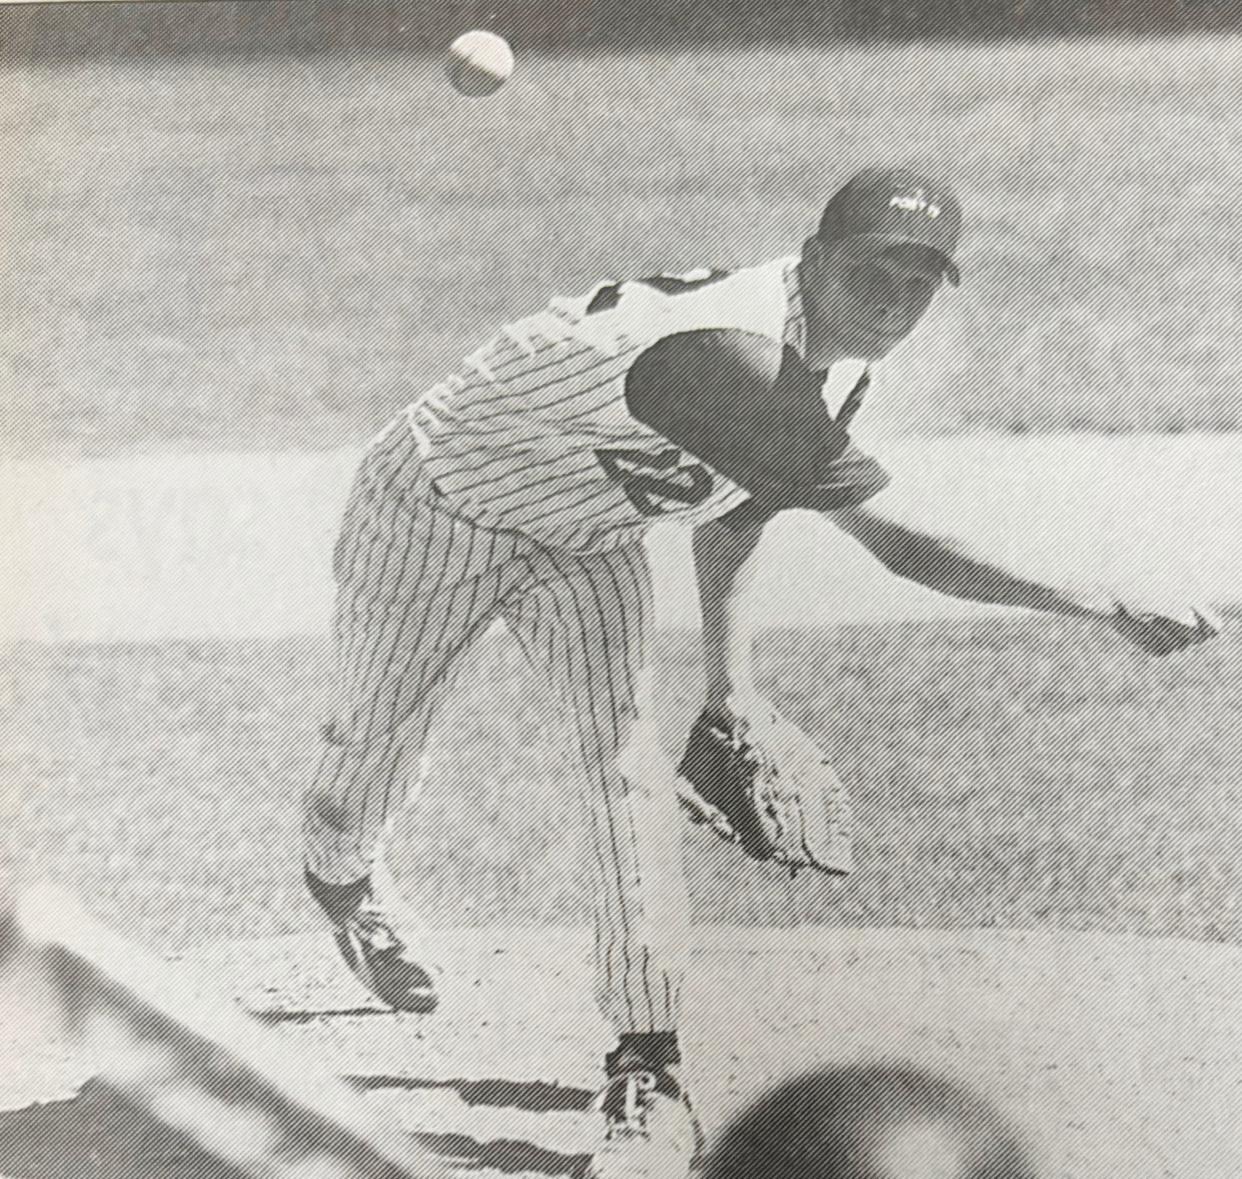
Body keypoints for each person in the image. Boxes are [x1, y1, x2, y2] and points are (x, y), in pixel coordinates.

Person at [300, 165, 1215, 1179]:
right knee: (374, 739)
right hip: (431, 504)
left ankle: (646, 1071)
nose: (892, 301)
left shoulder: (828, 358)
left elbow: (735, 506)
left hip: (588, 542)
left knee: (624, 773)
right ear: (815, 256)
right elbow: (907, 546)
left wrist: (731, 688)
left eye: (918, 283)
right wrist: (1102, 598)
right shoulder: (729, 354)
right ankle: (341, 875)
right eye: (873, 271)